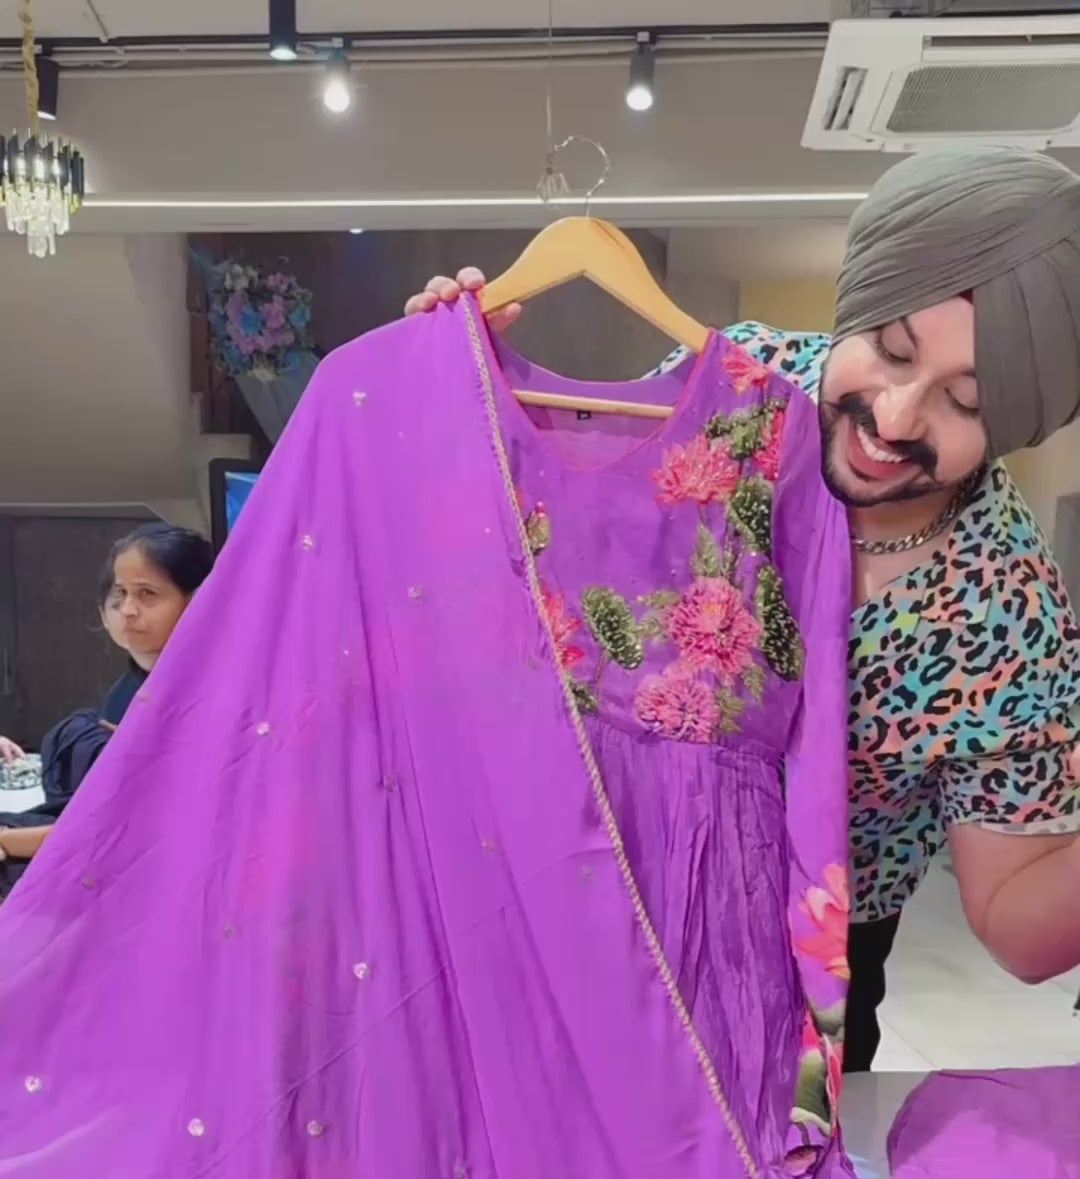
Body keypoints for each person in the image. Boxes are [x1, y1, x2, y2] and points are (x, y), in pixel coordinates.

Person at [406, 146, 1080, 1068]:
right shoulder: (738, 387)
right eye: (890, 351)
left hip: (811, 959)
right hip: (600, 875)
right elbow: (553, 552)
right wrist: (447, 392)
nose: (894, 418)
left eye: (963, 403)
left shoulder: (1006, 614)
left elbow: (1015, 924)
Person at [0, 523, 213, 895]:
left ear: (196, 602)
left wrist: (8, 840)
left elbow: (132, 832)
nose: (127, 610)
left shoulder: (202, 702)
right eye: (121, 593)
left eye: (147, 594)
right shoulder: (131, 688)